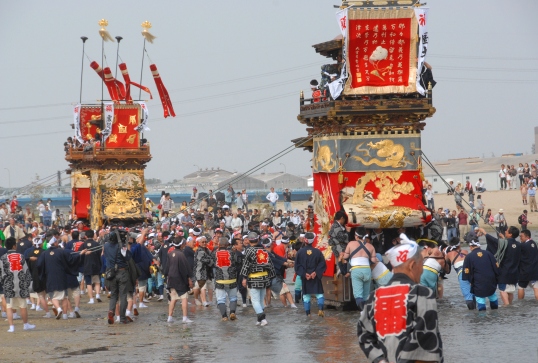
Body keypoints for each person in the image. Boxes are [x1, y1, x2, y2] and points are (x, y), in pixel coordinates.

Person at [357, 235, 443, 363]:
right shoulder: (422, 293)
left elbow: (364, 335)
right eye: (421, 265)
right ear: (412, 265)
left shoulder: (374, 296)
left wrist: (380, 360)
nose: (422, 269)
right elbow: (426, 338)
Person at [37, 229, 88, 320]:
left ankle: (58, 308)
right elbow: (71, 259)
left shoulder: (44, 254)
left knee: (53, 296)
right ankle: (64, 314)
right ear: (55, 243)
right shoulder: (61, 251)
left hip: (50, 277)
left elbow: (39, 265)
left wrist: (43, 274)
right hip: (61, 276)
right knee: (64, 296)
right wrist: (80, 253)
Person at [240, 232, 276, 326]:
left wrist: (244, 277)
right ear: (258, 239)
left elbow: (246, 265)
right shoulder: (264, 250)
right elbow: (270, 265)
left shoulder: (249, 251)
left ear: (249, 240)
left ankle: (262, 318)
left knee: (255, 300)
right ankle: (259, 320)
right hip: (264, 278)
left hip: (254, 278)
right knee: (260, 300)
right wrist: (272, 276)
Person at [0, 237, 35, 332]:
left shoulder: (3, 258)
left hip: (8, 285)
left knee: (9, 306)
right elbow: (26, 271)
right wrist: (27, 284)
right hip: (21, 284)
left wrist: (3, 283)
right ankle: (25, 324)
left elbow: (1, 272)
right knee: (23, 306)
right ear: (14, 246)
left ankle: (11, 327)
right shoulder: (21, 256)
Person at [483, 226, 521, 306]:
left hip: (504, 272)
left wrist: (484, 233)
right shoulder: (518, 245)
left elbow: (494, 241)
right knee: (510, 291)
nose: (505, 231)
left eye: (507, 231)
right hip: (515, 273)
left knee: (503, 290)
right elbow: (508, 245)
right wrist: (503, 238)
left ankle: (506, 306)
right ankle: (510, 305)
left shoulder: (505, 243)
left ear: (510, 234)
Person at [462, 232, 499, 311]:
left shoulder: (469, 257)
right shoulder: (488, 253)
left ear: (471, 247)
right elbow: (496, 267)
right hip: (490, 280)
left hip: (478, 281)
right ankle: (495, 315)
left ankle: (482, 319)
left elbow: (466, 271)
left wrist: (470, 281)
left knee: (480, 300)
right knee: (492, 296)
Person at [103, 228, 132, 324]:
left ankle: (111, 311)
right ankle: (123, 318)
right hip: (122, 272)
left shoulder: (106, 246)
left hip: (111, 273)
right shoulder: (121, 247)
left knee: (113, 295)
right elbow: (128, 257)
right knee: (123, 295)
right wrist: (125, 245)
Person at [294, 232, 326, 317]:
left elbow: (297, 266)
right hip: (315, 276)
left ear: (305, 240)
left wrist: (305, 274)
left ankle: (308, 314)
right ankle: (320, 310)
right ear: (313, 240)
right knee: (319, 294)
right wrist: (315, 272)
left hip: (305, 278)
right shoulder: (317, 252)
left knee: (306, 296)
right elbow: (322, 264)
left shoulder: (300, 252)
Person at [342, 229, 376, 309]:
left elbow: (345, 257)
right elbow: (373, 261)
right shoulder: (371, 246)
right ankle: (366, 312)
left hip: (356, 270)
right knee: (366, 294)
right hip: (367, 270)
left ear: (356, 236)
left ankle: (362, 313)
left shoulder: (351, 244)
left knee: (358, 295)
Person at [164, 238, 193, 323]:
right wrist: (189, 278)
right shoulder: (181, 255)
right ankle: (184, 317)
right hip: (180, 279)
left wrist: (166, 276)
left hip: (171, 279)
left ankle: (169, 317)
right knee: (184, 298)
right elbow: (186, 268)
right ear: (181, 245)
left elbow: (166, 269)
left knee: (173, 298)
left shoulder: (170, 254)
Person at [213, 237, 239, 321]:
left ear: (219, 245)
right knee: (233, 298)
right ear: (228, 245)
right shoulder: (232, 253)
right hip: (232, 279)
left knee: (220, 299)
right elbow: (237, 262)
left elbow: (210, 264)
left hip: (219, 280)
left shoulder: (214, 253)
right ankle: (232, 312)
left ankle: (224, 316)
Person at [444, 237, 473, 309]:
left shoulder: (449, 254)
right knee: (474, 292)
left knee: (468, 296)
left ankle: (472, 314)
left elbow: (446, 265)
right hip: (471, 271)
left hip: (461, 273)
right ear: (459, 245)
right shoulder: (465, 251)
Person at [81, 230, 102, 304]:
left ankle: (91, 299)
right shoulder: (97, 244)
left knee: (89, 283)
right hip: (96, 264)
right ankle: (98, 295)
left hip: (86, 265)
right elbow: (100, 254)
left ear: (86, 236)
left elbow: (81, 255)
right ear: (93, 235)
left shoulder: (83, 245)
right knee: (97, 281)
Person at [517, 229, 538, 300]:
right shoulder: (534, 244)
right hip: (535, 270)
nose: (520, 238)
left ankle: (520, 303)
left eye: (521, 236)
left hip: (525, 271)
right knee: (536, 288)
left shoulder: (523, 245)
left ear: (527, 237)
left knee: (521, 287)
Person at [328, 211, 349, 276]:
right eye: (344, 219)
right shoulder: (336, 226)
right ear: (342, 218)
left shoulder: (335, 225)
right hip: (339, 247)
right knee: (341, 262)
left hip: (338, 246)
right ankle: (341, 270)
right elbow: (342, 238)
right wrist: (348, 232)